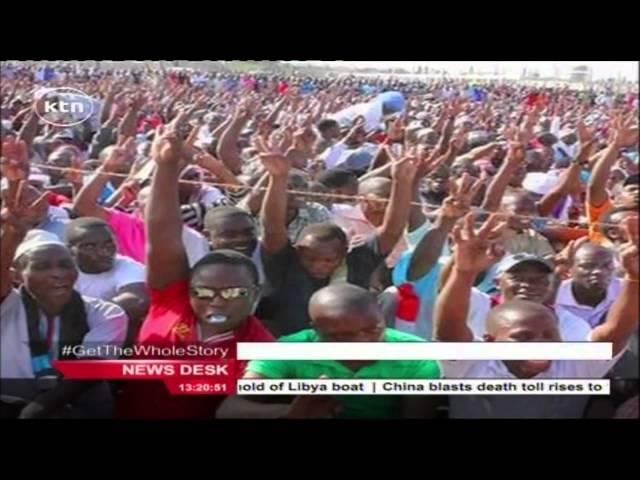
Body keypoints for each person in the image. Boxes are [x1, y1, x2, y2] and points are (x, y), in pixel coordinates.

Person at [115, 121, 273, 419]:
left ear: (255, 295)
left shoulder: (259, 345)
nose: (216, 301)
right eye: (202, 292)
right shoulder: (171, 300)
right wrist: (165, 167)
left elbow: (240, 407)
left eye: (233, 292)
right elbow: (162, 232)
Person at [433, 214, 639, 418]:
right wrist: (463, 271)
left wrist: (634, 278)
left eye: (550, 335)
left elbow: (614, 334)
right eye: (523, 336)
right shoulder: (471, 365)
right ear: (489, 341)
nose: (541, 343)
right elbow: (448, 331)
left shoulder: (572, 366)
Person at [257, 147, 419, 337]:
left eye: (329, 260)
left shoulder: (357, 263)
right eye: (310, 259)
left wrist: (401, 182)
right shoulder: (286, 264)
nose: (318, 266)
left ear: (343, 253)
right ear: (297, 251)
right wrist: (277, 178)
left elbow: (391, 231)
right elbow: (272, 228)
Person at [217, 284, 441, 419]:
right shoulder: (288, 349)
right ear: (316, 330)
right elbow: (230, 409)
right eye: (342, 337)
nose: (362, 342)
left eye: (372, 329)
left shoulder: (416, 355)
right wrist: (290, 414)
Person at [1, 181, 127, 418]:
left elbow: (86, 371)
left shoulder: (106, 313)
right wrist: (14, 233)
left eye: (64, 264)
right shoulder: (8, 306)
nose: (57, 273)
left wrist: (34, 412)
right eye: (42, 266)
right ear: (16, 275)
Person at [72, 137, 209, 266]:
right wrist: (107, 169)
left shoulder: (193, 239)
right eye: (150, 202)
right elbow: (83, 207)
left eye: (165, 202)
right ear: (137, 206)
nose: (159, 207)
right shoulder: (126, 225)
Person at [64, 217, 148, 345]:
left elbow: (137, 301)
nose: (103, 252)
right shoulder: (62, 269)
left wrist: (77, 315)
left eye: (109, 244)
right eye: (90, 247)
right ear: (70, 250)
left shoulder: (128, 266)